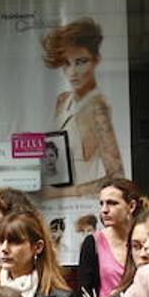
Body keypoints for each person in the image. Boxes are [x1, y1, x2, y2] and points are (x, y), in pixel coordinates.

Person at [40, 17, 125, 197]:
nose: (72, 72)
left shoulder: (97, 108)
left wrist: (60, 194)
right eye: (67, 63)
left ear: (96, 60)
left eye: (81, 62)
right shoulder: (63, 100)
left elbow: (116, 177)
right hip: (54, 207)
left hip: (82, 207)